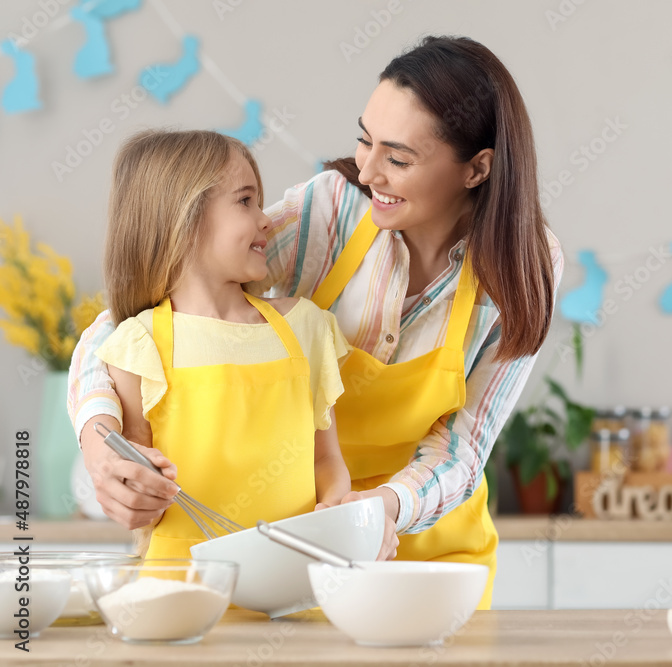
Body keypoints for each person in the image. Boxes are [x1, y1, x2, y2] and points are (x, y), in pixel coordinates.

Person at [70, 35, 562, 609]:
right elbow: (133, 318)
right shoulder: (334, 208)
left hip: (434, 565)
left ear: (476, 169)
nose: (367, 169)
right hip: (301, 555)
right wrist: (99, 442)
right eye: (364, 139)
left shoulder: (525, 263)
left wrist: (378, 508)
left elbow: (463, 445)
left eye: (398, 158)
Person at [86, 129, 351, 559]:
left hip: (293, 576)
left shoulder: (306, 328)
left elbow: (326, 460)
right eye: (245, 201)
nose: (266, 219)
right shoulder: (139, 344)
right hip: (178, 590)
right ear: (183, 218)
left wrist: (335, 518)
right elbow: (138, 475)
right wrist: (140, 492)